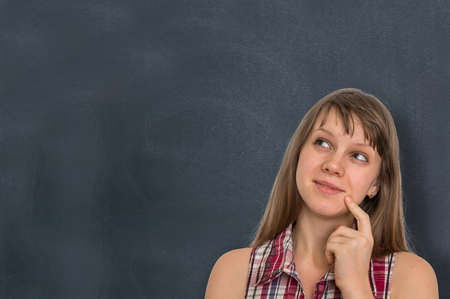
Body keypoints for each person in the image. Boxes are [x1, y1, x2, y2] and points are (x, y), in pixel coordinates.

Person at [205, 89, 438, 299]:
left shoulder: (411, 277)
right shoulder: (233, 272)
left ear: (375, 185)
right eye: (323, 143)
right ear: (298, 154)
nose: (333, 165)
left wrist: (357, 288)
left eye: (358, 155)